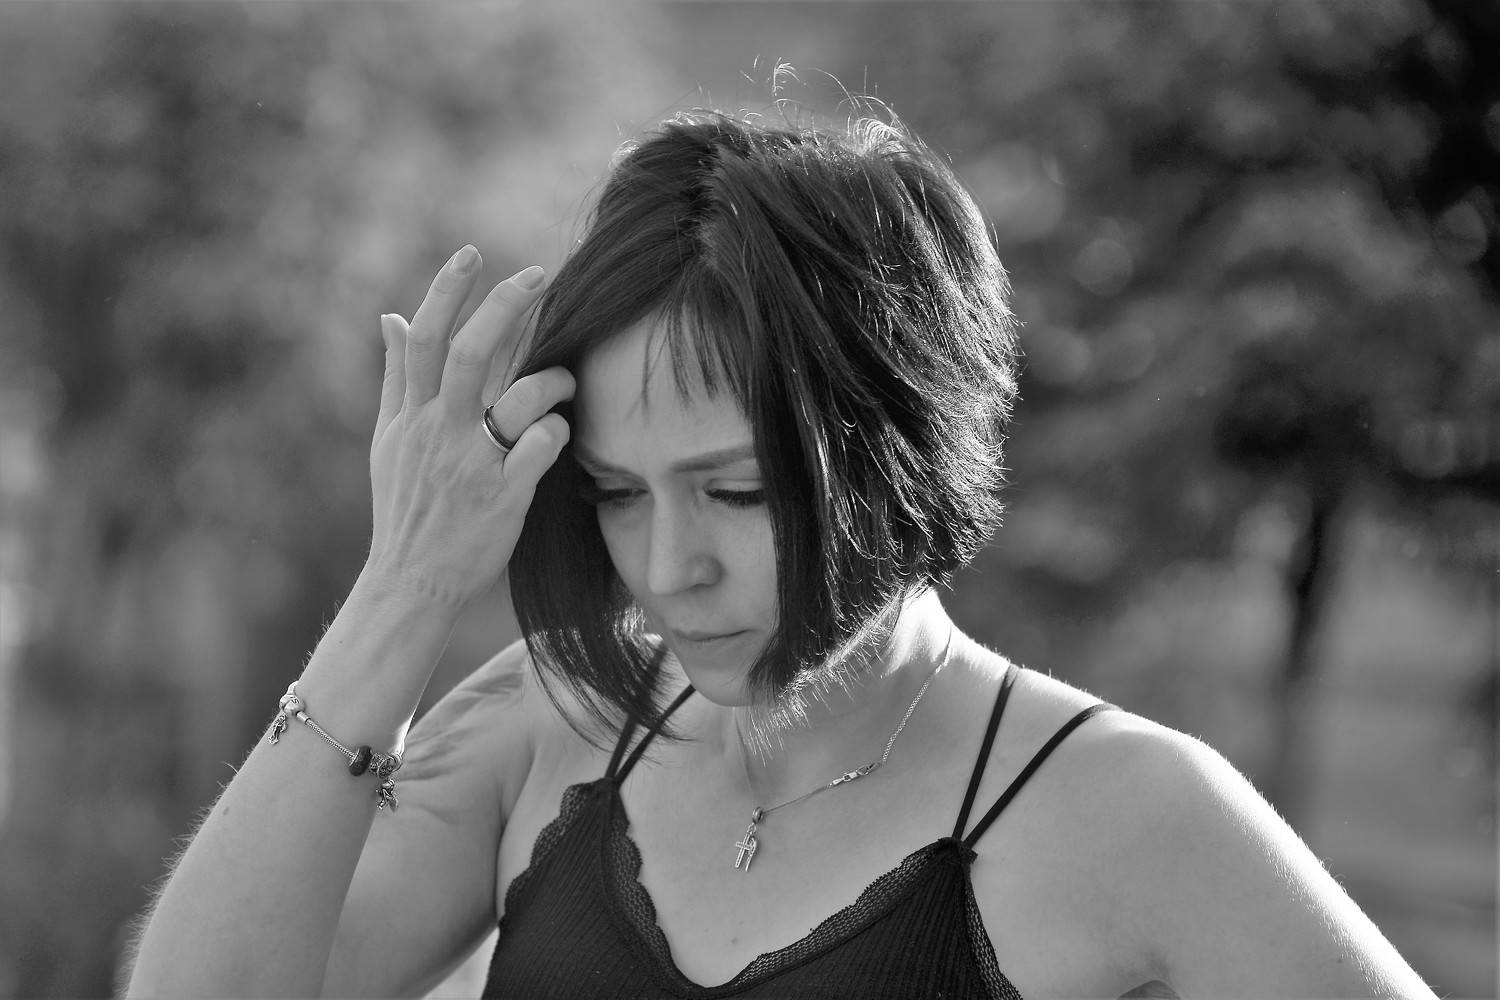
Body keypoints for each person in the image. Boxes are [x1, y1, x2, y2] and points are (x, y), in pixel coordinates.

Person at [125, 109, 1434, 999]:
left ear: (898, 444)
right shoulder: (553, 722)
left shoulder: (1130, 809)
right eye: (618, 494)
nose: (668, 568)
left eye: (737, 491)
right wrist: (402, 588)